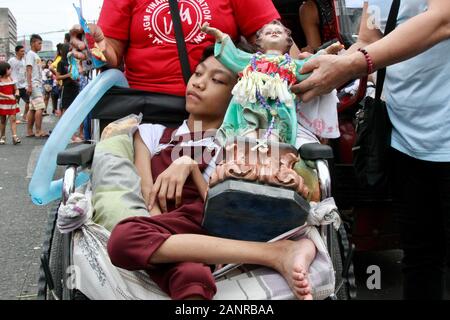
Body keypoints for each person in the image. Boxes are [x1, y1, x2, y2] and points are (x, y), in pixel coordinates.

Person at [107, 47, 317, 300]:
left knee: (124, 239)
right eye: (197, 73)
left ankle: (278, 252)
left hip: (208, 222)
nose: (199, 83)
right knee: (188, 275)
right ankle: (275, 253)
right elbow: (148, 195)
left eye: (217, 80)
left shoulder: (235, 144)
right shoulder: (151, 133)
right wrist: (160, 230)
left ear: (236, 95)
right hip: (163, 226)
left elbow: (223, 205)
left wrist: (190, 165)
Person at [293, 0, 450, 299]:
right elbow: (368, 41)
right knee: (419, 259)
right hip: (405, 136)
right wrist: (323, 64)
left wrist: (351, 64)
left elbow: (442, 20)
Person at [69, 0, 282, 117]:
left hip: (220, 114)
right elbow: (110, 52)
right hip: (144, 113)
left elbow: (276, 42)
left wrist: (307, 65)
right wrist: (94, 48)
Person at [201, 20, 342, 145]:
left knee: (275, 142)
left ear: (288, 41)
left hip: (279, 107)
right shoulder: (251, 60)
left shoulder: (290, 64)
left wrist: (325, 53)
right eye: (268, 32)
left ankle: (273, 163)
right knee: (247, 137)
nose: (274, 32)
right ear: (259, 42)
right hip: (251, 104)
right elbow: (233, 55)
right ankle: (246, 162)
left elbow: (309, 65)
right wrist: (220, 37)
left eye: (278, 32)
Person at [55, 43, 83, 143]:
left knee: (74, 112)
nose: (73, 52)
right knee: (66, 112)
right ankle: (65, 135)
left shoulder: (73, 62)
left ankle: (73, 135)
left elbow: (77, 74)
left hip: (75, 88)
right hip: (66, 89)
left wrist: (77, 77)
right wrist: (68, 75)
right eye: (71, 50)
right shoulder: (61, 63)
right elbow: (58, 77)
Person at [25, 34, 49, 138]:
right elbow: (28, 70)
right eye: (39, 43)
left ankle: (30, 131)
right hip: (34, 84)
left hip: (36, 84)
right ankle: (38, 131)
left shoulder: (35, 55)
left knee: (33, 108)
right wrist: (30, 85)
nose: (40, 45)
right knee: (40, 107)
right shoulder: (30, 54)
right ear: (33, 43)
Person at [0, 62, 21, 145]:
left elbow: (16, 89)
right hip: (2, 102)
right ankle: (2, 136)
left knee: (13, 119)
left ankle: (15, 137)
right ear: (4, 70)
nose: (10, 70)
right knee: (3, 120)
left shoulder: (11, 79)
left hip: (12, 102)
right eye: (9, 69)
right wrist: (7, 96)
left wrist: (17, 92)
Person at [8, 45, 30, 124]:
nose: (23, 53)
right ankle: (13, 119)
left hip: (23, 85)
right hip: (14, 85)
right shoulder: (11, 60)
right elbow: (7, 71)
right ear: (16, 52)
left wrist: (27, 83)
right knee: (15, 103)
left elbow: (25, 73)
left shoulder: (24, 61)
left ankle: (24, 116)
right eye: (21, 51)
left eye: (24, 51)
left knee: (28, 101)